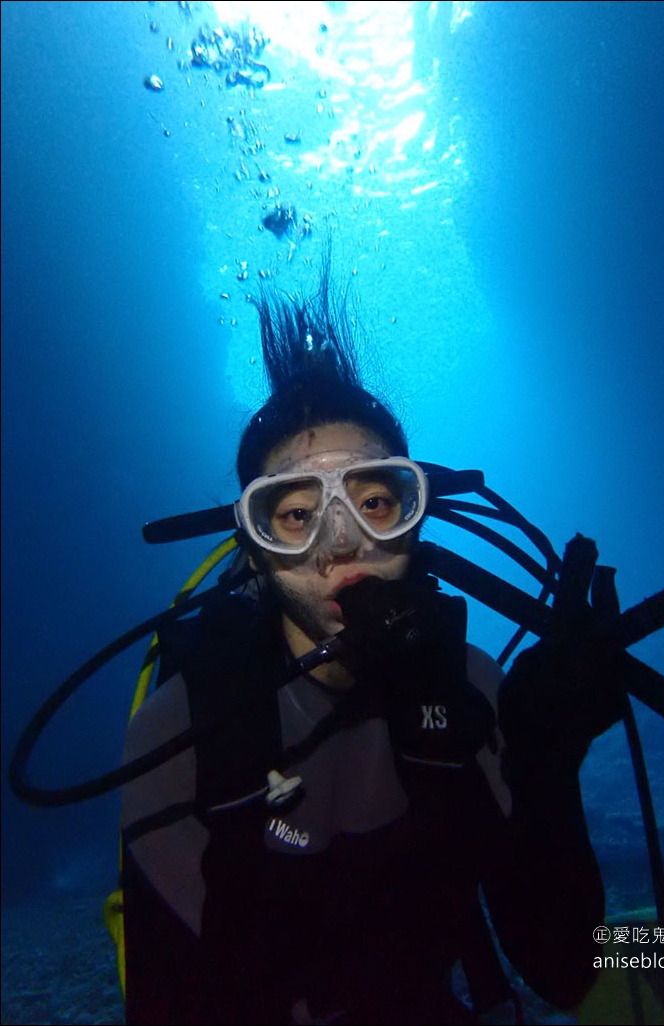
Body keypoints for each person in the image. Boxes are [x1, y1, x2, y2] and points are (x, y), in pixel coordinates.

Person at [119, 271, 629, 1025]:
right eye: (293, 514)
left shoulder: (469, 694)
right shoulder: (178, 736)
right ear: (253, 546)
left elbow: (570, 967)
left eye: (376, 501)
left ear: (415, 519)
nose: (342, 544)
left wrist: (547, 762)